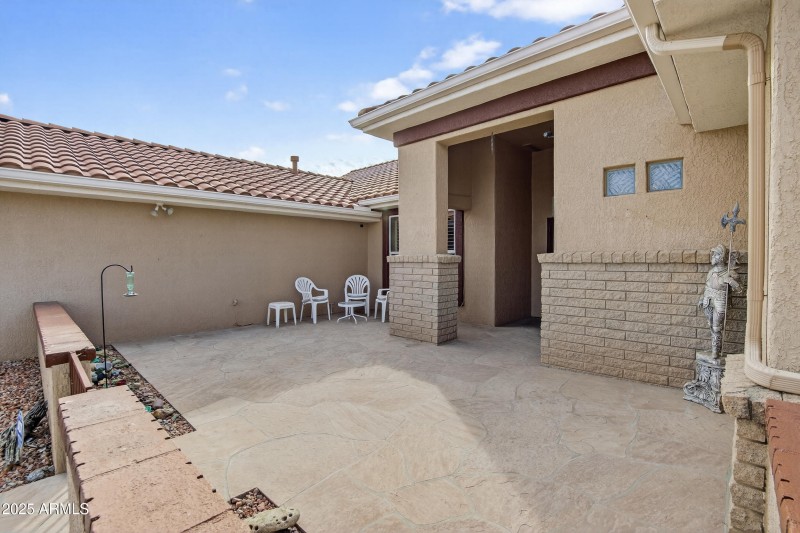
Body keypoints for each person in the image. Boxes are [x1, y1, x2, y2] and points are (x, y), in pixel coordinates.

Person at [699, 244, 741, 358]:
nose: (712, 256)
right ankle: (716, 347)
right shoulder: (711, 271)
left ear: (722, 257)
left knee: (717, 327)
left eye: (716, 254)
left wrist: (731, 281)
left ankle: (715, 351)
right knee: (711, 325)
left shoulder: (730, 273)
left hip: (720, 301)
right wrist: (702, 298)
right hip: (708, 300)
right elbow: (707, 286)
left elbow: (740, 290)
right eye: (713, 254)